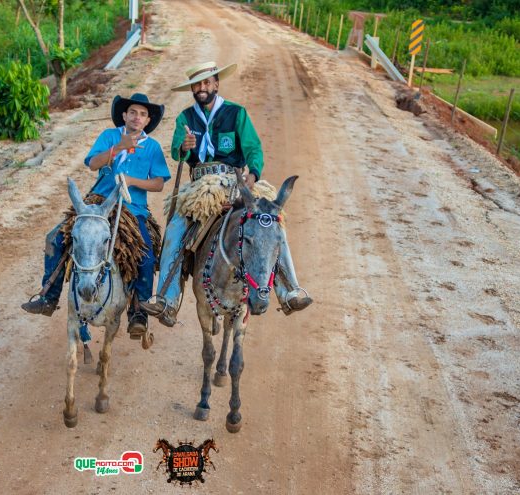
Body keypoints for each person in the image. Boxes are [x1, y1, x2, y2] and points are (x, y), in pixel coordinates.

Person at [140, 62, 312, 326]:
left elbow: (253, 148)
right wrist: (184, 147)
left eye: (207, 83)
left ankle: (289, 290)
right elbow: (177, 151)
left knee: (272, 223)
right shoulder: (185, 118)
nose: (202, 88)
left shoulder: (237, 113)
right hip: (200, 187)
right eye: (197, 85)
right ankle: (168, 299)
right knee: (175, 229)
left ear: (216, 84)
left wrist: (252, 174)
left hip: (235, 181)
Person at [22, 93, 170, 337]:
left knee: (145, 253)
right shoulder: (109, 136)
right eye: (132, 112)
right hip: (97, 204)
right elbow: (92, 163)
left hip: (132, 209)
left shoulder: (152, 147)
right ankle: (48, 296)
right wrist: (118, 148)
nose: (137, 117)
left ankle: (139, 312)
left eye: (142, 114)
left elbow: (158, 184)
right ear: (124, 115)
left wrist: (132, 181)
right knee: (55, 238)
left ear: (147, 120)